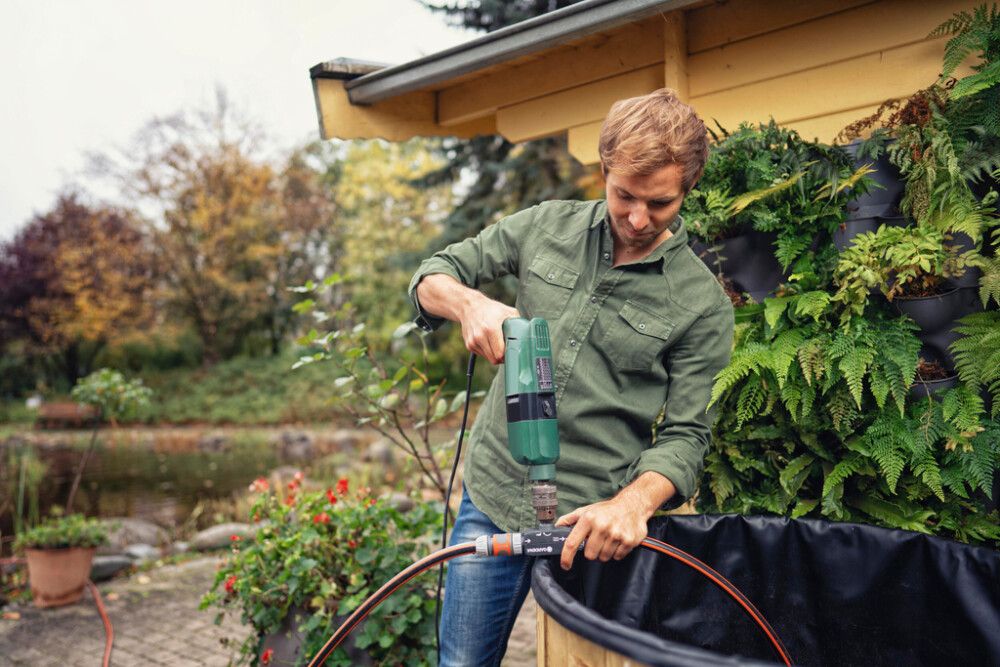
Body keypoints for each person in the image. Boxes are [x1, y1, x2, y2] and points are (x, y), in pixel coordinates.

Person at [408, 87, 735, 666]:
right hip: (493, 492)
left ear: (688, 188)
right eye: (624, 196)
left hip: (593, 525)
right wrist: (471, 306)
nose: (638, 219)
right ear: (605, 170)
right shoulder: (545, 226)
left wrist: (633, 505)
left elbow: (688, 436)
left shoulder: (701, 304)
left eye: (659, 204)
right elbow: (435, 274)